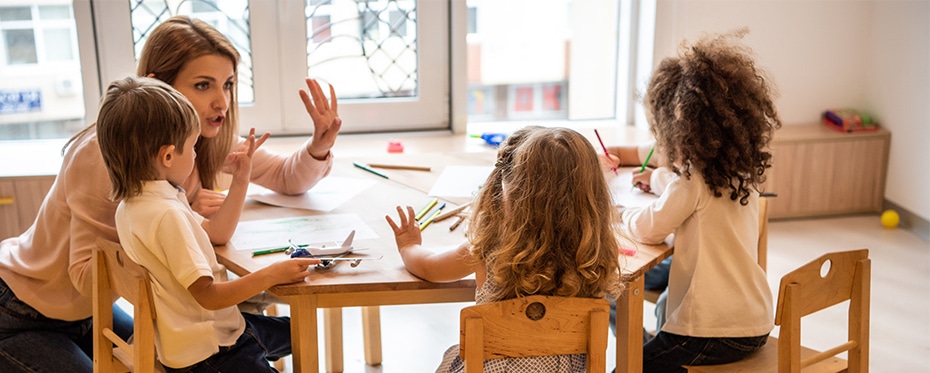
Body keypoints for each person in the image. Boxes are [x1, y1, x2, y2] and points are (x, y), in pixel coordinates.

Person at [0, 15, 338, 372]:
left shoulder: (192, 142)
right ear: (155, 87)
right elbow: (85, 275)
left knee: (187, 347)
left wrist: (318, 145)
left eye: (228, 84)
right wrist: (172, 223)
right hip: (22, 309)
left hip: (85, 311)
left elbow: (287, 176)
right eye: (203, 85)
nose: (222, 102)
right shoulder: (106, 154)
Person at [97, 75, 320, 371]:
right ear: (166, 155)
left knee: (300, 330)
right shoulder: (167, 215)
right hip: (212, 353)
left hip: (199, 337)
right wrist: (271, 275)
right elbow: (209, 296)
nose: (195, 153)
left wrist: (241, 180)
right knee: (306, 331)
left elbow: (215, 233)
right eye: (191, 147)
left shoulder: (134, 206)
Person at [386, 126, 624, 372]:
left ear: (509, 191)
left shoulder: (488, 251)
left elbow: (430, 268)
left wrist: (408, 245)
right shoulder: (596, 255)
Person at [618, 29, 780, 372]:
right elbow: (688, 194)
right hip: (755, 323)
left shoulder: (691, 182)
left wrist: (620, 213)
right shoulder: (739, 175)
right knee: (660, 311)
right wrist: (659, 179)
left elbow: (648, 229)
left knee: (627, 366)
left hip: (708, 331)